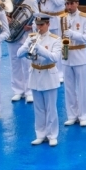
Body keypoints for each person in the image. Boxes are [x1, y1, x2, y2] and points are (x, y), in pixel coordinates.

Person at [18, 14, 62, 146]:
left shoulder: (55, 39)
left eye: (42, 25)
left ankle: (52, 134)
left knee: (51, 108)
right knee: (38, 108)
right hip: (35, 75)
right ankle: (40, 134)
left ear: (48, 24)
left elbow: (55, 57)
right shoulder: (31, 37)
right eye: (37, 25)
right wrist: (27, 46)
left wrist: (39, 49)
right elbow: (18, 54)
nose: (39, 27)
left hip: (49, 76)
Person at [5, 0, 39, 104]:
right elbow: (1, 17)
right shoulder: (6, 1)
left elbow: (37, 16)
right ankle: (18, 90)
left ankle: (29, 91)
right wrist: (6, 19)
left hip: (25, 34)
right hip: (12, 34)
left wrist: (31, 26)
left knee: (26, 63)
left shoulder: (31, 0)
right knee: (14, 63)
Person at [62, 0, 86, 127]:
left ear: (77, 3)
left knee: (81, 88)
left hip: (80, 55)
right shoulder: (62, 18)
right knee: (69, 88)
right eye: (67, 4)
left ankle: (83, 115)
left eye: (71, 3)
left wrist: (73, 34)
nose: (69, 6)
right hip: (66, 57)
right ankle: (72, 115)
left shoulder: (85, 18)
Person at [38, 0, 69, 82]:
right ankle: (45, 67)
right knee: (44, 43)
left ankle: (59, 72)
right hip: (43, 18)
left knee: (57, 44)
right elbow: (37, 1)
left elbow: (59, 2)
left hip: (56, 18)